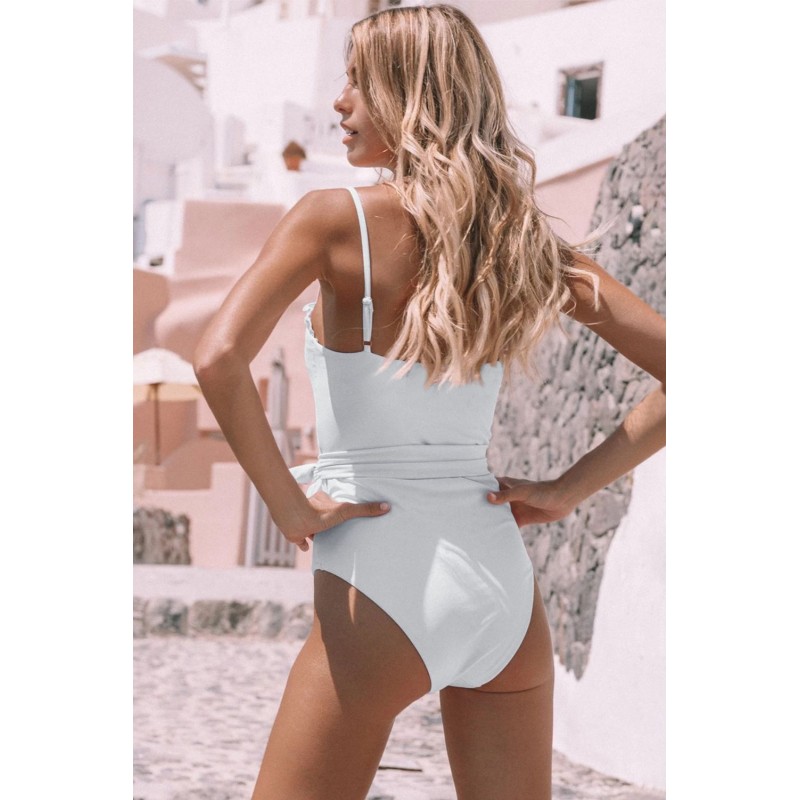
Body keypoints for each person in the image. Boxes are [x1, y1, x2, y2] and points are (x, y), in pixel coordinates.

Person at [193, 4, 666, 799]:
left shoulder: (333, 220)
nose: (339, 100)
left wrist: (289, 506)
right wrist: (568, 490)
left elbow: (217, 358)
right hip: (500, 592)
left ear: (413, 95)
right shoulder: (519, 240)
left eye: (360, 81)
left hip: (377, 584)